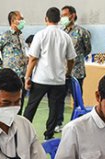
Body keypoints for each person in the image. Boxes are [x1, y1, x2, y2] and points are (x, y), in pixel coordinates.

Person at [23, 7, 76, 141]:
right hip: (58, 80)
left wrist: (27, 77)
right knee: (54, 108)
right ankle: (49, 134)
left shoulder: (40, 35)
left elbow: (33, 58)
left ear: (46, 19)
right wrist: (67, 73)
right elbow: (71, 59)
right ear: (59, 20)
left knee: (31, 106)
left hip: (41, 78)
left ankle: (24, 132)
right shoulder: (66, 37)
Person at [55, 6, 92, 132]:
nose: (63, 18)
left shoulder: (82, 32)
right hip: (62, 72)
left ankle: (76, 123)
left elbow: (87, 49)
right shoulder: (60, 32)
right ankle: (58, 123)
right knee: (59, 98)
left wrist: (77, 58)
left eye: (66, 14)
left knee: (77, 98)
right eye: (62, 15)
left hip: (77, 71)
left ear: (73, 15)